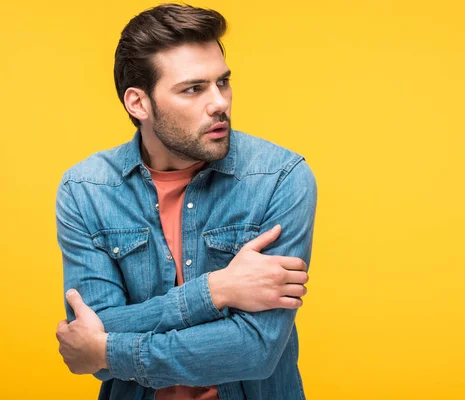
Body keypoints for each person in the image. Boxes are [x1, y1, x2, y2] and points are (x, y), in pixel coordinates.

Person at [54, 4, 317, 400]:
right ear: (138, 104)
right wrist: (215, 291)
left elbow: (255, 351)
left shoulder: (280, 177)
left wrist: (108, 350)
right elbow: (94, 323)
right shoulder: (86, 190)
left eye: (223, 82)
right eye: (193, 89)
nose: (220, 103)